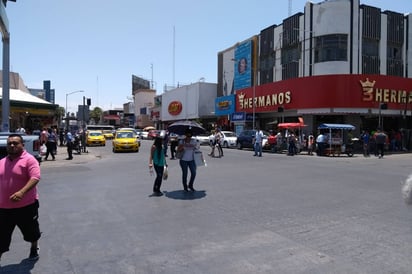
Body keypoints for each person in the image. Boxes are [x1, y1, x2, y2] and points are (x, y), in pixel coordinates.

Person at [0, 134, 41, 261]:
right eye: (9, 143)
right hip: (3, 207)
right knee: (1, 237)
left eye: (15, 143)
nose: (12, 145)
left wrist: (22, 192)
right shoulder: (2, 162)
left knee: (31, 232)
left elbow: (35, 177)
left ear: (22, 145)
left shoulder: (29, 160)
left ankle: (34, 247)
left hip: (26, 206)